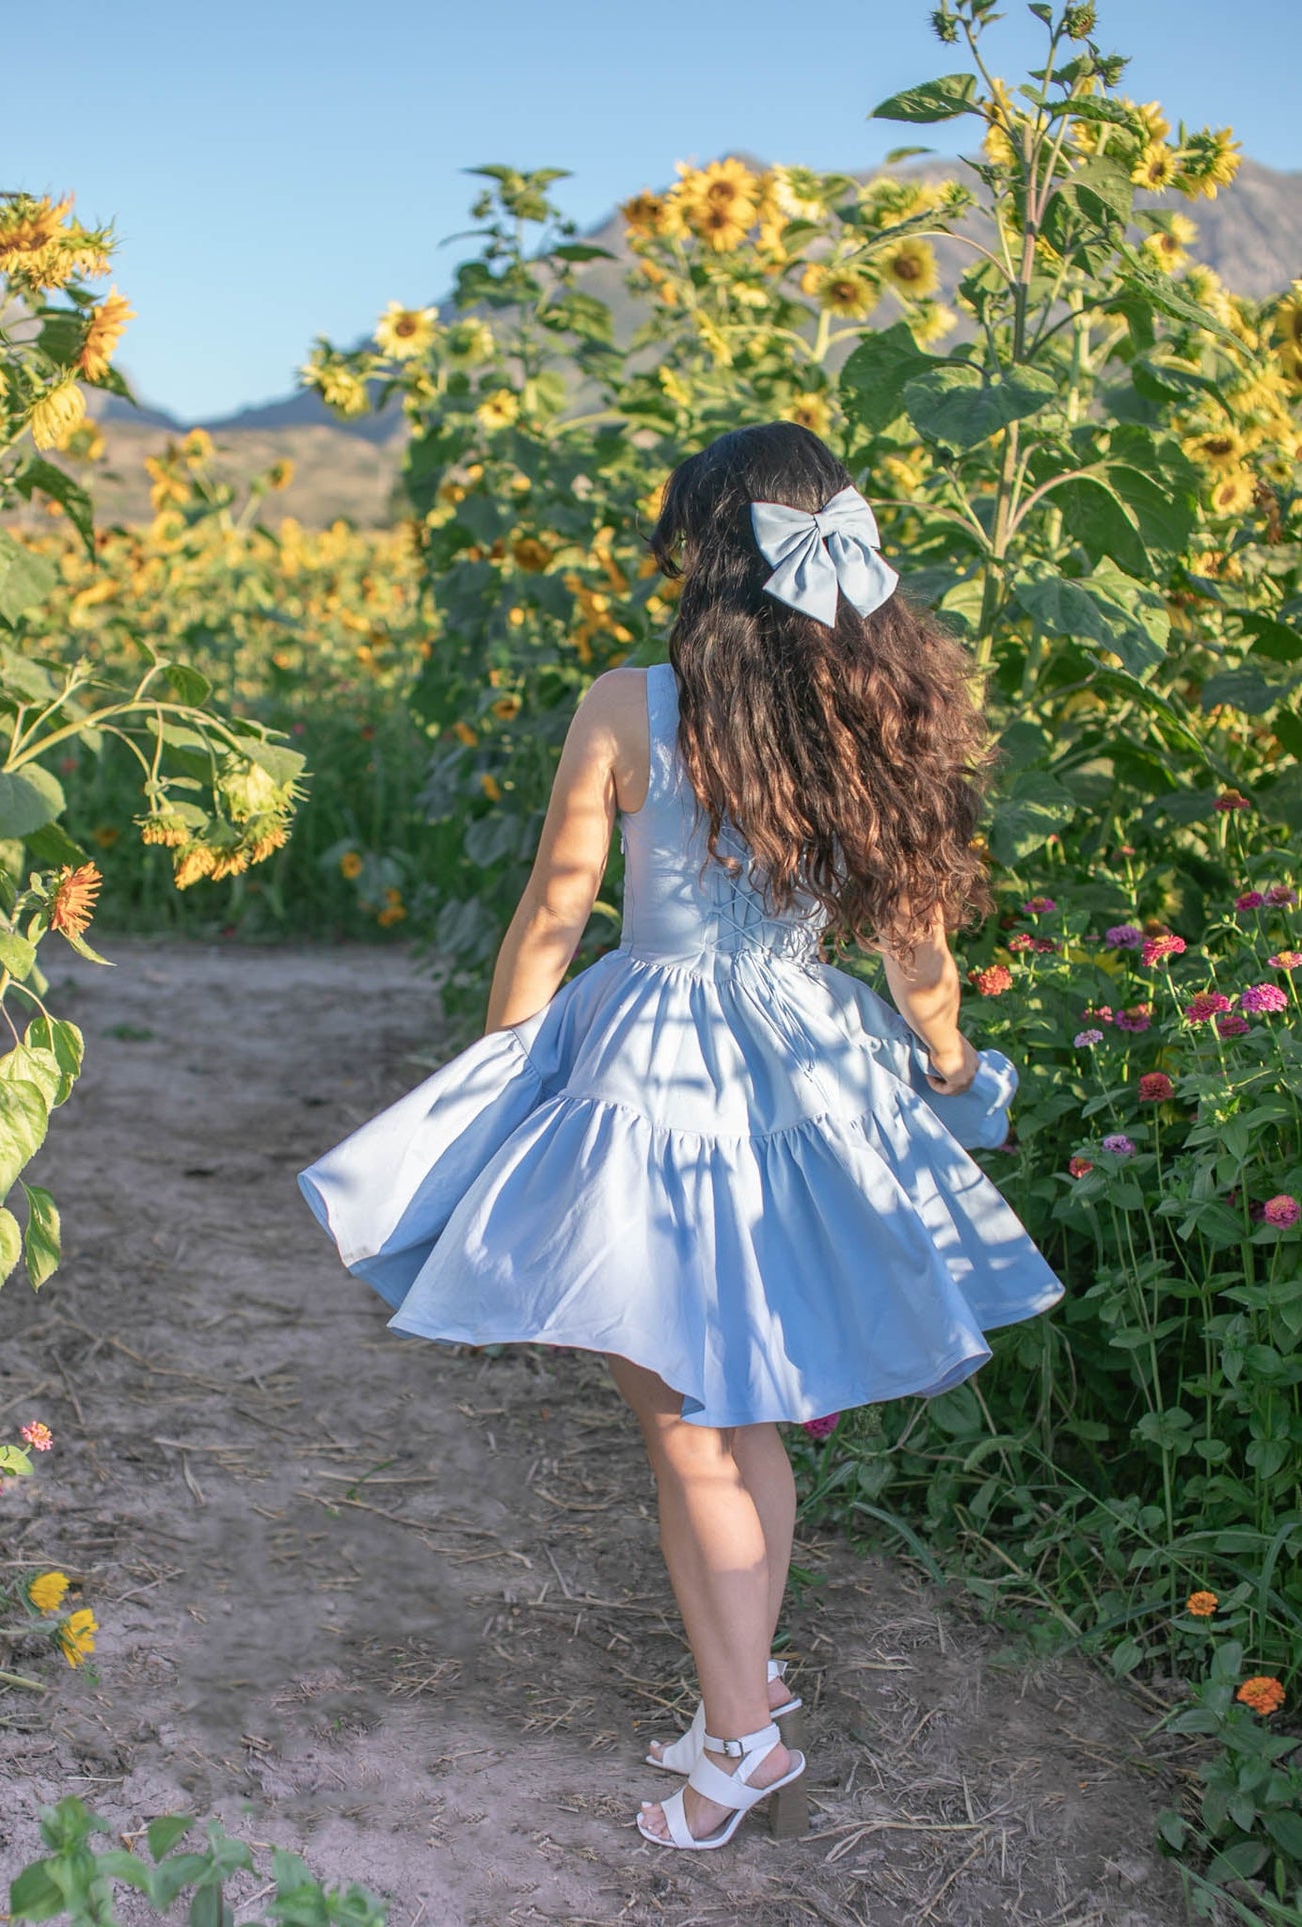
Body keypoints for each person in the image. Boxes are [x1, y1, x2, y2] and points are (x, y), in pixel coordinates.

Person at [298, 421, 1064, 1853]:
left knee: (686, 1425)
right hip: (804, 1062)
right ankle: (744, 1677)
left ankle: (741, 1744)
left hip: (650, 1065)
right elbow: (917, 956)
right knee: (740, 1401)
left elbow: (552, 908)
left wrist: (498, 1070)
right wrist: (953, 1072)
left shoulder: (628, 704)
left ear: (706, 557)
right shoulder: (874, 710)